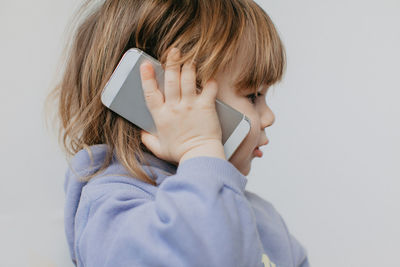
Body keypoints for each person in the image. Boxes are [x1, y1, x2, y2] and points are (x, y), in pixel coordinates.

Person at [46, 0, 310, 266]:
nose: (269, 117)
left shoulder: (264, 219)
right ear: (161, 96)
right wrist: (199, 147)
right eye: (253, 96)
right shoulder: (112, 205)